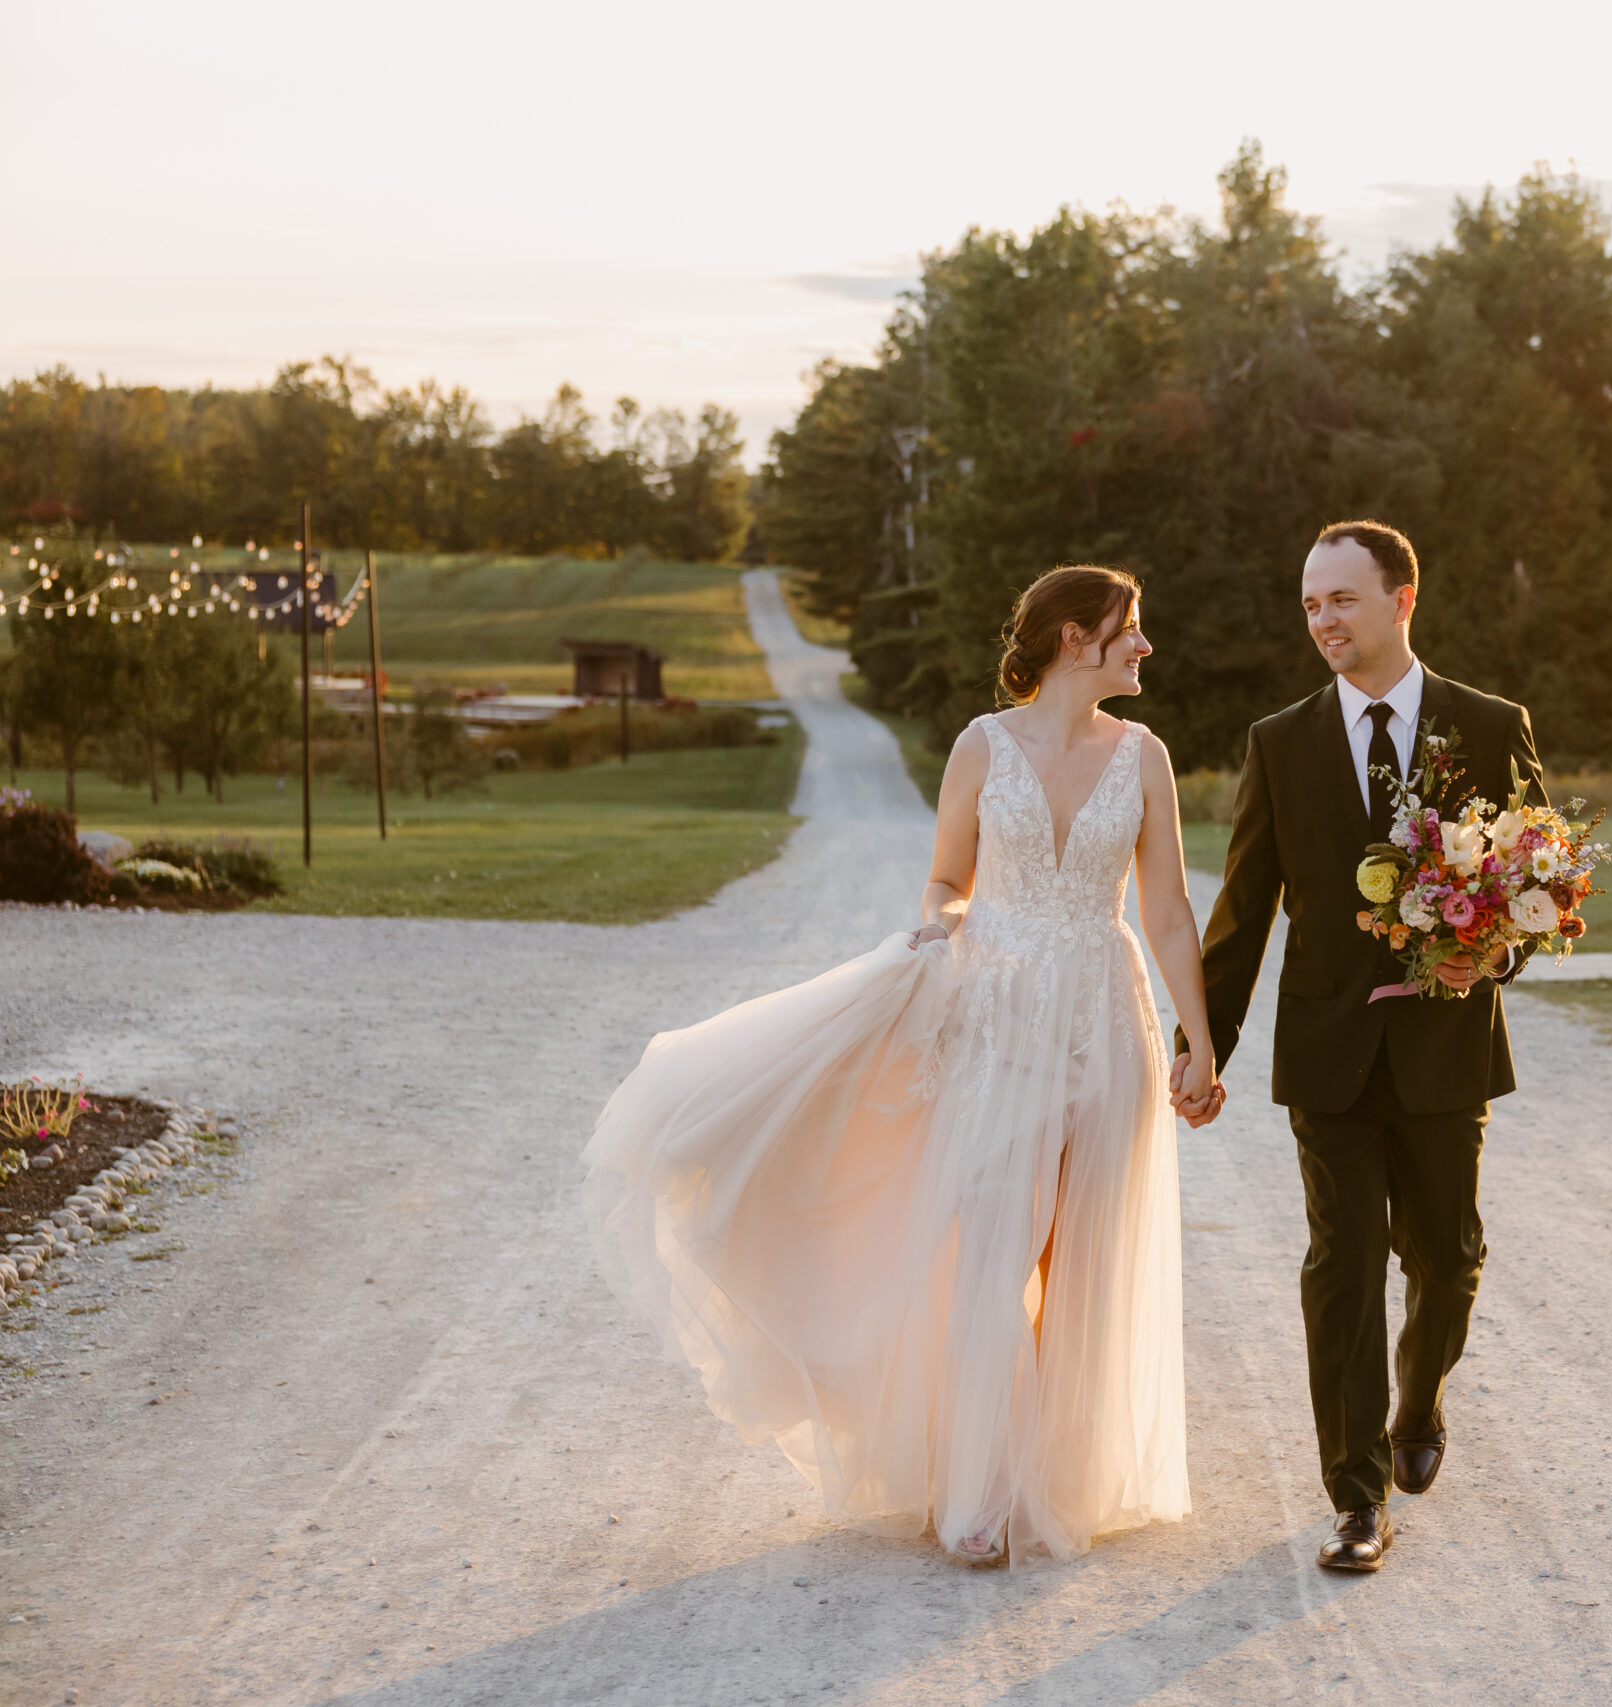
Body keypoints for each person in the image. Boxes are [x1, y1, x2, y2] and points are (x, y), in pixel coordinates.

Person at [584, 566, 1213, 1565]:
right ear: (1067, 639)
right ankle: (972, 1490)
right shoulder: (980, 746)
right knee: (993, 1246)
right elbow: (945, 880)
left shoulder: (1145, 758)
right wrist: (939, 928)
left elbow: (1171, 912)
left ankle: (1054, 1477)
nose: (1144, 647)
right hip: (998, 1014)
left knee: (1084, 1254)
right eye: (1128, 629)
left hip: (1105, 1013)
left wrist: (1198, 1039)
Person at [1173, 520, 1543, 1572]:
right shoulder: (1278, 741)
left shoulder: (1485, 724)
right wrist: (1205, 1045)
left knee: (1449, 1256)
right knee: (1341, 1266)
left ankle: (1418, 1402)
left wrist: (1493, 954)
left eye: (1341, 599)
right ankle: (1355, 1497)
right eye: (1310, 604)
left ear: (1401, 600)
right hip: (1327, 1052)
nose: (1323, 620)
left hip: (1444, 1046)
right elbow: (1242, 913)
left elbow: (1541, 886)